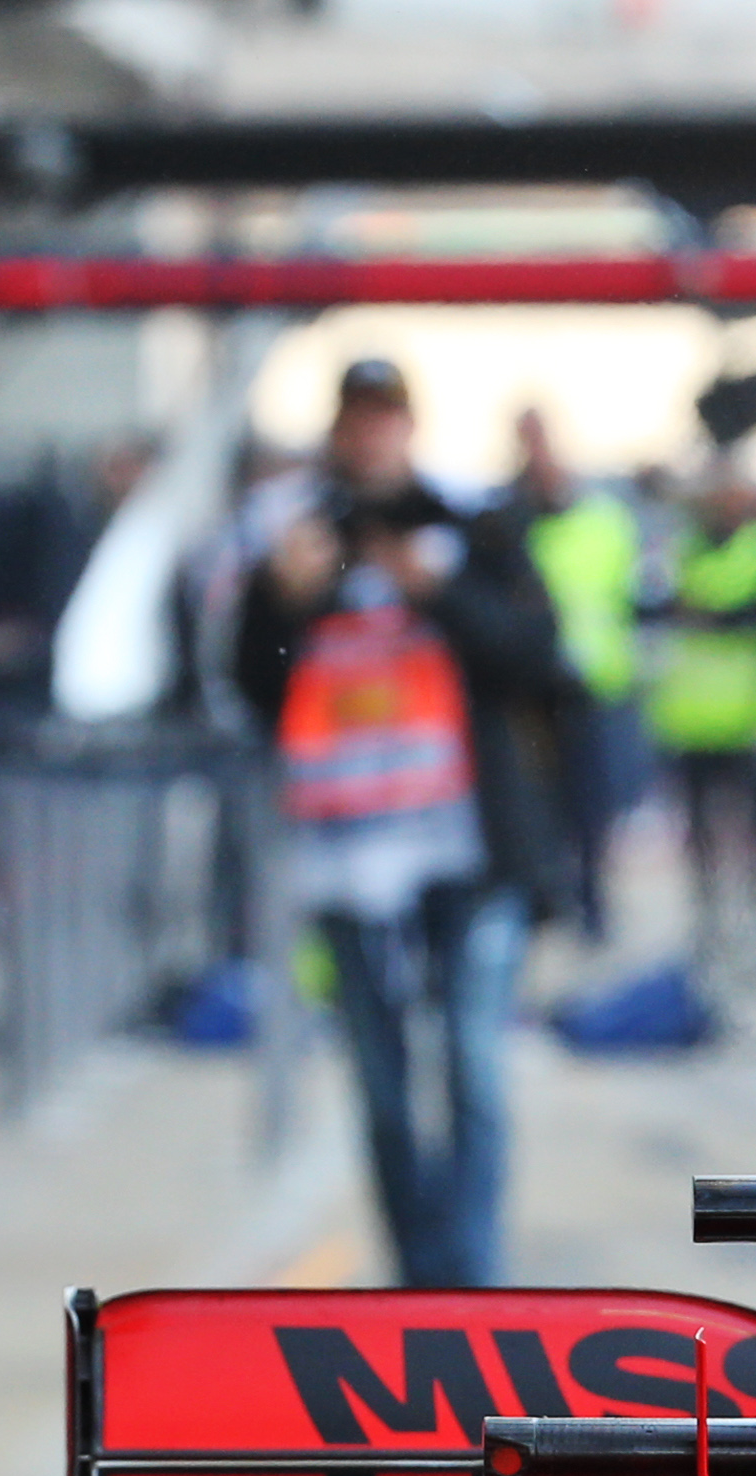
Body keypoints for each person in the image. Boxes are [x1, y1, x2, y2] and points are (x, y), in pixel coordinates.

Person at [227, 358, 570, 1290]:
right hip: (346, 850)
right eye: (356, 419)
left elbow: (535, 656)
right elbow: (257, 682)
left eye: (387, 418)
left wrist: (436, 590)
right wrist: (280, 603)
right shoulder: (295, 536)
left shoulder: (470, 525)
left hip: (467, 846)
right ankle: (419, 1276)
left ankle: (473, 1272)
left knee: (470, 1063)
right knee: (380, 1083)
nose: (371, 437)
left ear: (409, 426)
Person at [645, 463, 756, 957]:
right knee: (700, 830)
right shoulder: (678, 549)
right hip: (688, 717)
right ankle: (709, 919)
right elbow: (649, 603)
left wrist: (711, 615)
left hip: (748, 716)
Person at [504, 404, 644, 942]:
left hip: (590, 689)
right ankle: (548, 907)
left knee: (590, 811)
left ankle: (590, 910)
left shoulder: (601, 520)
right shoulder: (511, 516)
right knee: (539, 808)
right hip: (532, 690)